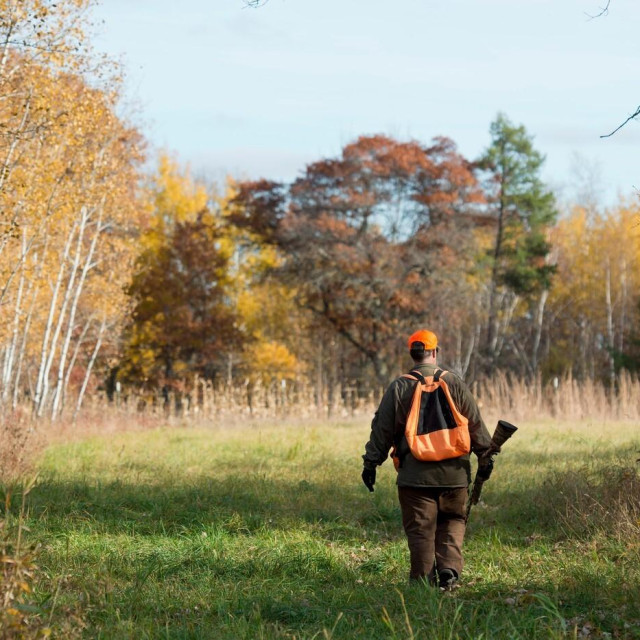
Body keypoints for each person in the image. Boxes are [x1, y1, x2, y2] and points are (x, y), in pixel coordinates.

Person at [361, 329, 492, 590]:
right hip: (455, 475)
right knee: (453, 521)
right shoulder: (454, 382)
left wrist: (371, 462)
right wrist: (485, 456)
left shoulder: (400, 386)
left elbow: (382, 430)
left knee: (421, 530)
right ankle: (449, 570)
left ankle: (422, 583)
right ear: (435, 352)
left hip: (414, 476)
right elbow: (475, 423)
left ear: (413, 354)